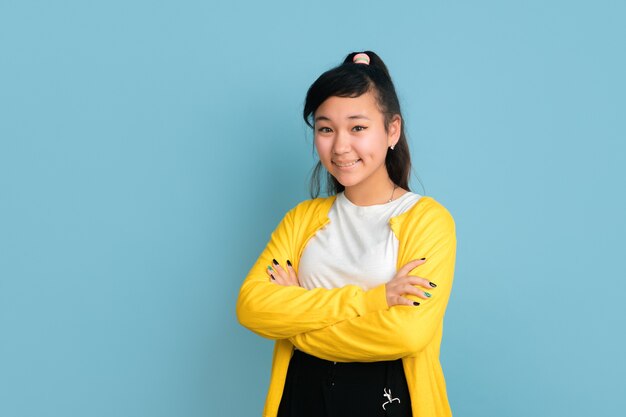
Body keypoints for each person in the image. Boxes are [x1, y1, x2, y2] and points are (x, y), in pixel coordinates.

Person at [236, 51, 457, 417]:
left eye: (357, 127)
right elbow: (252, 305)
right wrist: (373, 301)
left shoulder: (427, 220)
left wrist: (294, 324)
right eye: (325, 129)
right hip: (301, 400)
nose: (340, 146)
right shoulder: (301, 220)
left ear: (392, 130)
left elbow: (407, 334)